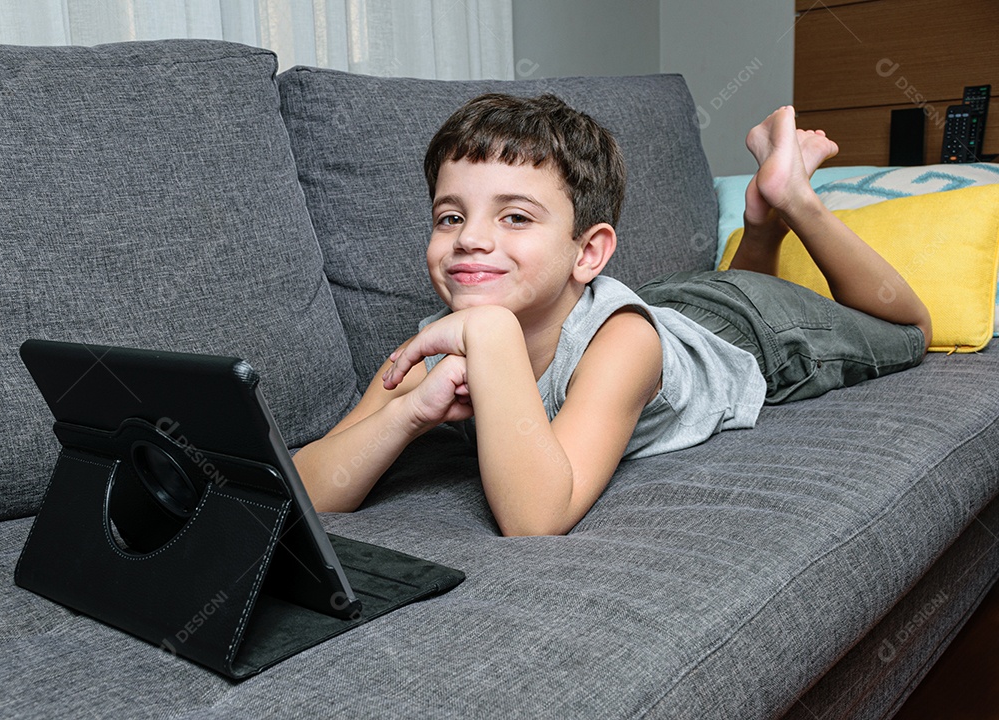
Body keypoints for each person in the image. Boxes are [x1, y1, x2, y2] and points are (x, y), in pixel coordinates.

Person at [293, 94, 932, 537]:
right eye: (450, 216)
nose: (470, 239)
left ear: (588, 253)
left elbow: (537, 517)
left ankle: (792, 196)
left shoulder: (623, 345)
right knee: (720, 283)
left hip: (750, 326)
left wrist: (491, 335)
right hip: (668, 300)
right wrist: (408, 413)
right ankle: (760, 222)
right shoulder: (433, 350)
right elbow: (302, 491)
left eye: (514, 216)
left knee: (913, 332)